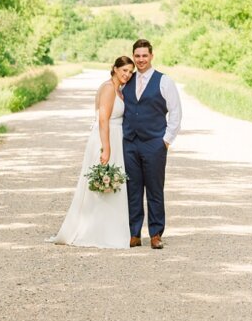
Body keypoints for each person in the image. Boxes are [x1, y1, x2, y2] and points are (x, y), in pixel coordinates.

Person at [50, 56, 135, 248]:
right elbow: (103, 119)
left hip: (114, 137)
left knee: (112, 184)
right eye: (124, 70)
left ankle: (109, 229)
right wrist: (106, 148)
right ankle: (94, 230)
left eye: (130, 72)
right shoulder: (107, 88)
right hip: (106, 138)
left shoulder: (118, 90)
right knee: (102, 181)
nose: (127, 75)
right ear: (114, 68)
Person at [122, 39, 182, 249]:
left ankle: (156, 234)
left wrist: (165, 141)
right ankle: (134, 233)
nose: (140, 60)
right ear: (133, 56)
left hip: (154, 144)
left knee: (155, 190)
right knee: (133, 189)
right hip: (130, 143)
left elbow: (175, 112)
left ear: (151, 56)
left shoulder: (164, 81)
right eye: (137, 56)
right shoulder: (126, 79)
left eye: (144, 56)